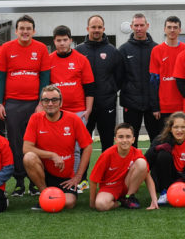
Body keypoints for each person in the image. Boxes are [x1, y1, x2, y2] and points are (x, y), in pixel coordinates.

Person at [0, 15, 50, 197]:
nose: (25, 32)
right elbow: (0, 77)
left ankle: (35, 182)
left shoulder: (41, 48)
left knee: (37, 143)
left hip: (34, 104)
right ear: (16, 30)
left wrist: (41, 103)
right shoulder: (6, 48)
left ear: (33, 31)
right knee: (16, 143)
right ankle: (19, 182)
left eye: (28, 29)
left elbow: (45, 77)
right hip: (13, 103)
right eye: (22, 28)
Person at [22, 84, 93, 210]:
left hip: (65, 177)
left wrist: (78, 176)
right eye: (46, 100)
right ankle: (45, 195)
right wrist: (52, 155)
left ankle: (52, 198)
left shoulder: (73, 119)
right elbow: (26, 148)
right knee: (29, 157)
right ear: (41, 103)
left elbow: (87, 146)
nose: (50, 103)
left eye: (54, 100)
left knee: (69, 203)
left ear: (61, 103)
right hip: (44, 174)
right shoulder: (35, 119)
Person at [47, 24, 95, 184]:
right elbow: (44, 86)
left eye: (65, 40)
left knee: (76, 148)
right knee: (56, 147)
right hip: (56, 112)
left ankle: (74, 180)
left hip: (78, 111)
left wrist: (88, 110)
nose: (62, 43)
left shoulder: (81, 59)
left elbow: (89, 87)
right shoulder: (49, 60)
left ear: (70, 40)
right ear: (54, 41)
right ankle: (57, 180)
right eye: (59, 40)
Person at [75, 14, 124, 151]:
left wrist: (109, 91)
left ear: (103, 29)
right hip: (84, 106)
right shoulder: (78, 51)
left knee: (107, 143)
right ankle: (82, 167)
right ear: (87, 29)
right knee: (82, 144)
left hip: (106, 104)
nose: (96, 30)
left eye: (99, 27)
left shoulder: (112, 51)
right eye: (93, 27)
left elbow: (119, 77)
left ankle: (107, 166)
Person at [89, 123, 159, 211]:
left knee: (142, 163)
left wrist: (154, 199)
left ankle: (128, 197)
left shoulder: (137, 153)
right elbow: (93, 180)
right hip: (110, 187)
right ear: (115, 139)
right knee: (101, 205)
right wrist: (92, 203)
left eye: (128, 137)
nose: (124, 140)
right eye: (121, 137)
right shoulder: (107, 155)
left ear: (133, 139)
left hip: (127, 185)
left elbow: (147, 177)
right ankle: (119, 202)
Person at [144, 112, 185, 206]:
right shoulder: (161, 140)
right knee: (163, 155)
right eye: (176, 127)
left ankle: (175, 192)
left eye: (183, 127)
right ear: (170, 129)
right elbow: (146, 161)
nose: (179, 130)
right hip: (167, 178)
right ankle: (165, 191)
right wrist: (156, 149)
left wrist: (183, 179)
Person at [119, 12, 159, 146]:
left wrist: (156, 102)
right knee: (130, 141)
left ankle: (154, 162)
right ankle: (133, 161)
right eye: (136, 25)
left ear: (147, 26)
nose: (139, 28)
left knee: (157, 141)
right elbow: (119, 76)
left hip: (152, 105)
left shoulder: (156, 48)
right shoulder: (123, 49)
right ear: (131, 26)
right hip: (131, 103)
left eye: (142, 25)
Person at [149, 15, 185, 128]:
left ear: (180, 30)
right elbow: (153, 81)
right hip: (164, 107)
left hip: (183, 106)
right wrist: (155, 107)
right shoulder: (156, 50)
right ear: (164, 29)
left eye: (175, 27)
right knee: (165, 138)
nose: (172, 30)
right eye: (169, 27)